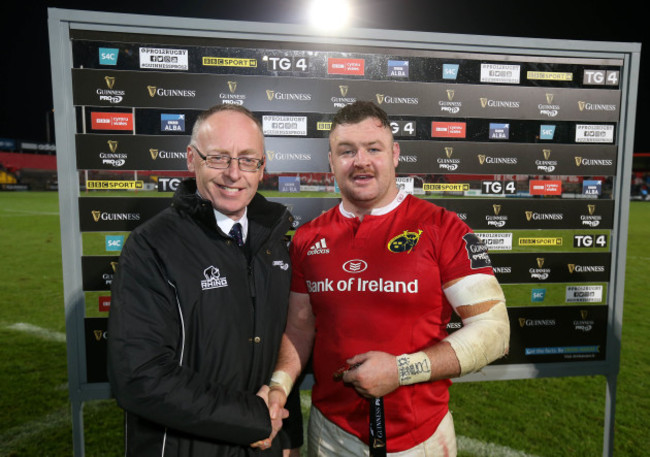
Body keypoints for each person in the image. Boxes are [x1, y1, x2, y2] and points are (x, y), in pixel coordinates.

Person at [266, 101, 510, 456]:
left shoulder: (442, 227)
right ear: (331, 161)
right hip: (330, 434)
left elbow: (494, 330)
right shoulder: (307, 238)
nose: (361, 161)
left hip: (421, 438)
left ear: (395, 154)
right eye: (347, 151)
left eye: (373, 149)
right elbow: (300, 328)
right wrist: (278, 385)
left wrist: (401, 369)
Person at [107, 104, 302, 457]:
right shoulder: (152, 245)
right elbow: (139, 376)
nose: (233, 174)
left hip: (265, 445)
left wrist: (286, 435)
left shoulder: (275, 241)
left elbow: (281, 347)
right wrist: (253, 420)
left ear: (262, 167)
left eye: (247, 160)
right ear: (190, 159)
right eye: (218, 158)